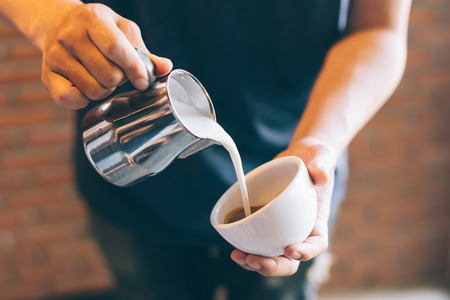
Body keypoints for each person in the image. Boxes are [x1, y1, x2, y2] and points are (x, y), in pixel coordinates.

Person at [0, 0, 412, 299]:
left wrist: (318, 141)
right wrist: (52, 18)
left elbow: (379, 28)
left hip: (296, 170)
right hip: (139, 179)